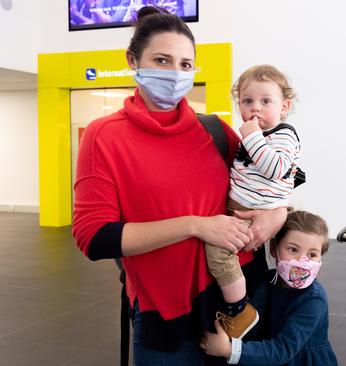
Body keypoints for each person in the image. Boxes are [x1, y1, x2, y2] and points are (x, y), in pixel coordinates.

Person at [71, 5, 286, 365]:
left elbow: (274, 183)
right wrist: (195, 226)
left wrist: (276, 216)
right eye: (161, 60)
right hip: (165, 315)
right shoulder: (105, 137)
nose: (175, 73)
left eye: (185, 65)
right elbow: (93, 237)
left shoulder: (215, 130)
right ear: (132, 60)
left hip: (238, 304)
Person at [205, 64, 303, 340]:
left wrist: (252, 136)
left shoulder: (283, 134)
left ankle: (238, 309)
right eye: (247, 101)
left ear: (284, 106)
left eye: (265, 101)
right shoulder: (255, 137)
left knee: (218, 249)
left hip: (251, 212)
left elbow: (275, 167)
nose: (255, 108)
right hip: (242, 207)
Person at [201, 210, 338, 366]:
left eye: (312, 255)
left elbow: (283, 349)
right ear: (274, 248)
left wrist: (229, 349)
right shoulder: (267, 280)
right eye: (293, 250)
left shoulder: (313, 301)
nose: (302, 261)